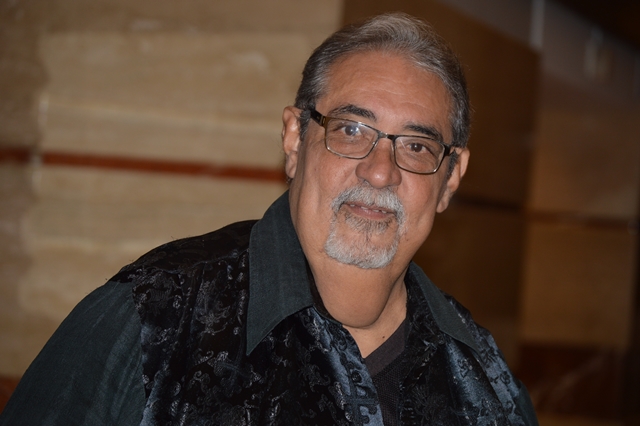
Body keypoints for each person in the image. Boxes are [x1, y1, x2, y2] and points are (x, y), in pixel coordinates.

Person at [0, 12, 538, 426]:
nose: (380, 172)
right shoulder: (151, 319)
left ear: (451, 178)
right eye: (351, 130)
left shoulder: (487, 381)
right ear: (294, 139)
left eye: (417, 146)